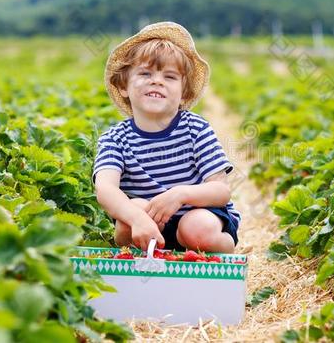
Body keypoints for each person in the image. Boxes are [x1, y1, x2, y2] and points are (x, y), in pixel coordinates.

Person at [92, 21, 240, 253]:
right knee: (132, 213)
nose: (157, 80)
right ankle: (147, 269)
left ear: (184, 93)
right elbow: (105, 190)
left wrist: (180, 194)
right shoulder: (115, 139)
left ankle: (224, 254)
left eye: (170, 77)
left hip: (198, 218)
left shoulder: (196, 129)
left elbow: (221, 191)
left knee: (196, 228)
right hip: (149, 228)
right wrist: (136, 218)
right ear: (123, 86)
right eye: (145, 73)